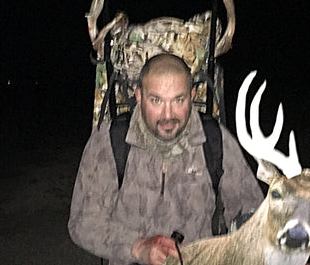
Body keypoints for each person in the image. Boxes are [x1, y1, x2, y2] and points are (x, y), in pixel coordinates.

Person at [68, 54, 264, 265]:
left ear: (192, 95)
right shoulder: (109, 141)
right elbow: (83, 222)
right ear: (139, 96)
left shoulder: (216, 141)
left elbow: (252, 215)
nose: (168, 115)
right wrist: (137, 247)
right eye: (156, 100)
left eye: (178, 100)